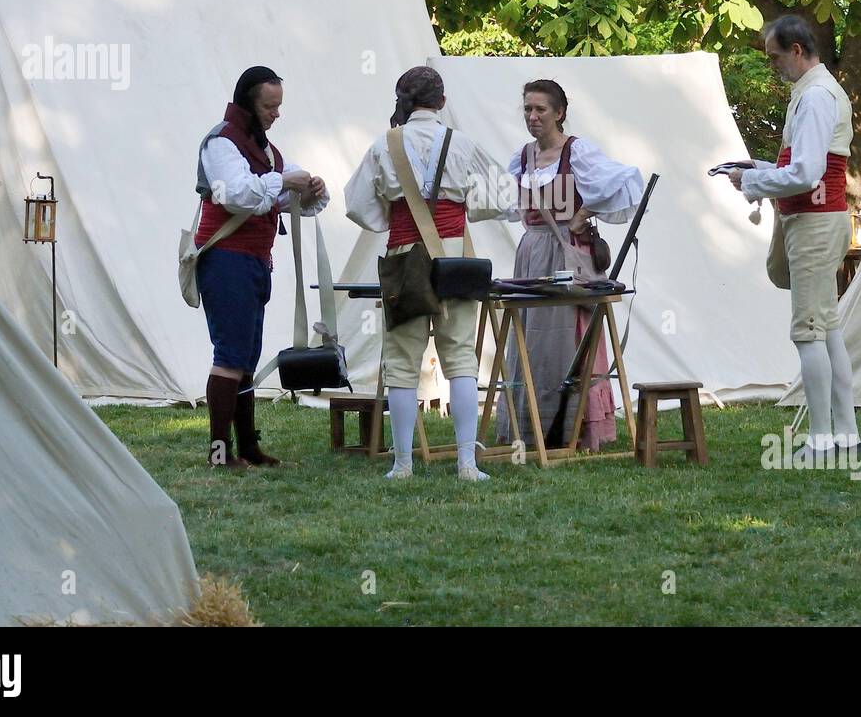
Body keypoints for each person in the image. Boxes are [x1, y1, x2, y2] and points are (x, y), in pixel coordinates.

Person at [343, 66, 512, 480]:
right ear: (441, 101)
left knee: (401, 361)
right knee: (460, 358)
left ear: (402, 101)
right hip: (455, 256)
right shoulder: (463, 144)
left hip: (405, 256)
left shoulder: (385, 145)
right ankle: (466, 464)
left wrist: (394, 218)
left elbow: (357, 204)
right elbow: (502, 195)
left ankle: (402, 465)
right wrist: (462, 207)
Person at [732, 15, 859, 455]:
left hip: (814, 222)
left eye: (775, 57)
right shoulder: (813, 92)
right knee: (827, 330)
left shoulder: (817, 95)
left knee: (808, 332)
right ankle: (844, 432)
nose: (773, 66)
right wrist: (758, 171)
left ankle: (823, 439)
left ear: (798, 51)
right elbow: (803, 167)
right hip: (814, 220)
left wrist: (751, 184)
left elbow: (807, 174)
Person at [496, 79, 643, 451]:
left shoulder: (577, 152)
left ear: (559, 112)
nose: (532, 116)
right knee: (531, 342)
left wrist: (584, 213)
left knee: (566, 339)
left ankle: (574, 429)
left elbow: (625, 180)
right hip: (531, 255)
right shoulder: (523, 157)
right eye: (528, 108)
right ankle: (531, 429)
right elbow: (503, 201)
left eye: (540, 109)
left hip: (568, 254)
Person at [195, 65, 328, 468]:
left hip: (252, 261)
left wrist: (308, 191)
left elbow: (273, 198)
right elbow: (237, 195)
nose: (275, 114)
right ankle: (220, 453)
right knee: (231, 356)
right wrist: (284, 183)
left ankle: (247, 448)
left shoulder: (265, 152)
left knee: (246, 357)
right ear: (249, 105)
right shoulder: (220, 143)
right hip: (226, 259)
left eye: (278, 106)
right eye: (269, 106)